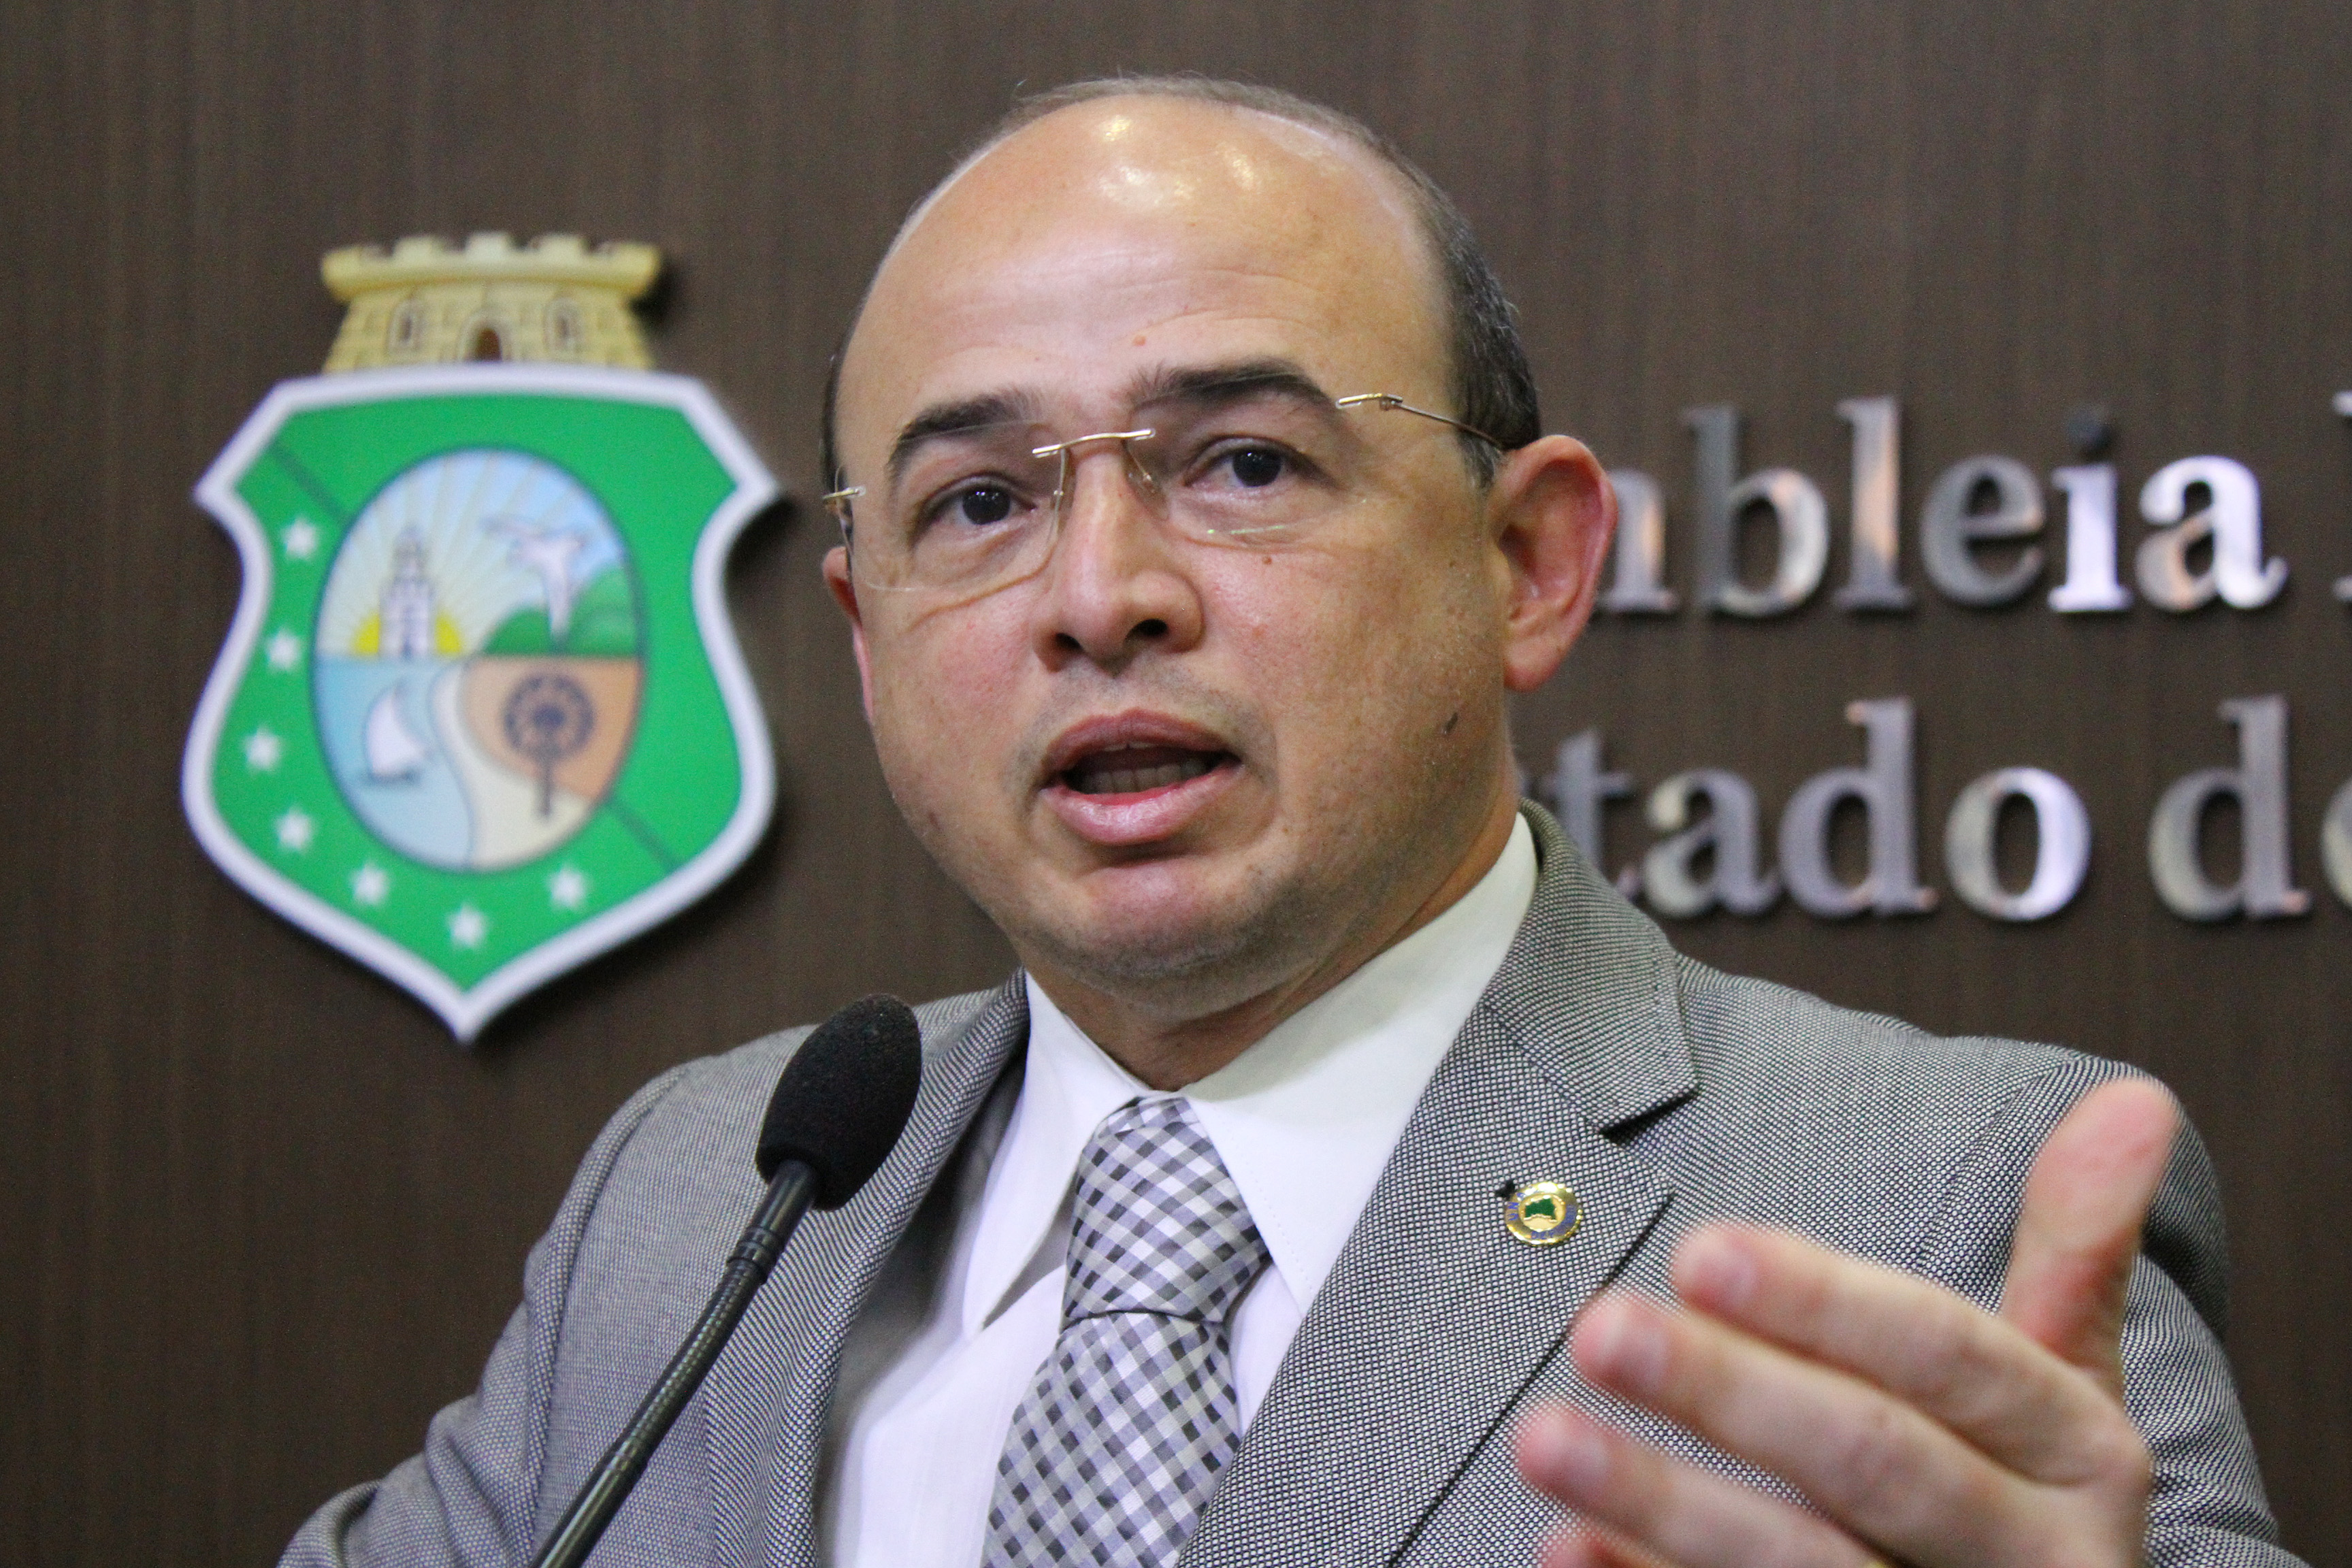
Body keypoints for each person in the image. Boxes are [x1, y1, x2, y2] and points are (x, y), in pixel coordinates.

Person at [284, 78, 2294, 1568]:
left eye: (1241, 463)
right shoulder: (697, 1199)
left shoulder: (1939, 1209)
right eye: (977, 504)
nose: (1100, 595)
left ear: (1527, 563)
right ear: (869, 640)